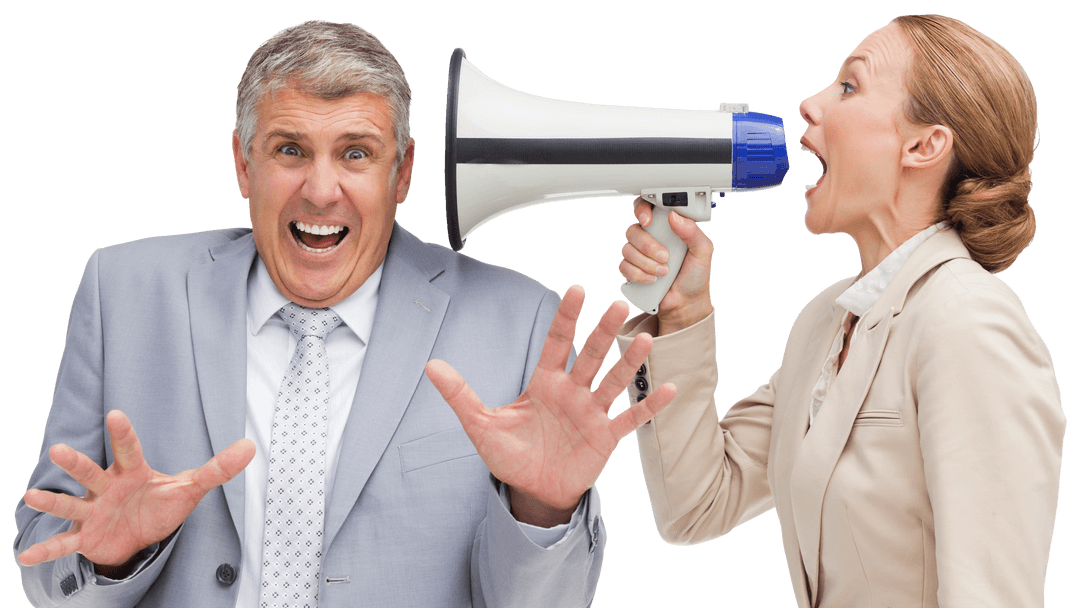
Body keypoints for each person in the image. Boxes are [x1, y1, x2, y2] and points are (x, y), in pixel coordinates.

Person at [12, 20, 676, 607]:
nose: (322, 190)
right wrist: (107, 553)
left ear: (404, 171)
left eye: (356, 153)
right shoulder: (122, 289)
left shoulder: (518, 321)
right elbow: (42, 565)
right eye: (289, 150)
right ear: (243, 165)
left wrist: (543, 509)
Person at [617, 14, 1065, 608]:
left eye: (849, 86)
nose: (808, 104)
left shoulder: (969, 323)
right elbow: (698, 504)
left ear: (925, 145)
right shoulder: (825, 322)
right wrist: (680, 313)